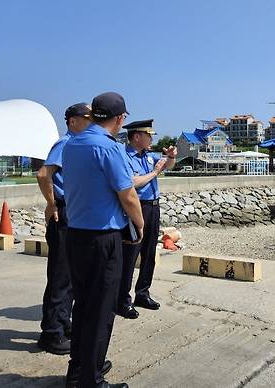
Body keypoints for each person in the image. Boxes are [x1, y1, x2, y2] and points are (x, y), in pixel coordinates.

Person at [62, 91, 143, 388]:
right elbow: (128, 194)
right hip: (103, 239)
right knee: (101, 310)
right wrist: (140, 225)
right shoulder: (110, 148)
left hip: (76, 235)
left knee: (82, 305)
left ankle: (79, 369)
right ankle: (91, 380)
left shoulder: (73, 143)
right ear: (120, 119)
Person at [36, 102, 90, 355]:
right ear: (72, 121)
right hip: (64, 213)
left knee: (70, 277)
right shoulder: (66, 143)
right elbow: (43, 174)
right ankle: (51, 334)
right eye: (87, 117)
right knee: (60, 275)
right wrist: (51, 203)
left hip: (75, 212)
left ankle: (62, 324)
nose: (91, 122)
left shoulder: (78, 145)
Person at [117, 119, 176, 319]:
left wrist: (170, 157)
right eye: (148, 135)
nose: (151, 139)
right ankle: (122, 300)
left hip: (153, 207)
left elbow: (166, 165)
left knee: (149, 253)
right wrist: (155, 172)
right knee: (130, 255)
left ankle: (142, 293)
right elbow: (133, 182)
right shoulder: (125, 156)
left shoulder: (148, 156)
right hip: (137, 207)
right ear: (136, 137)